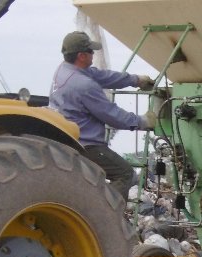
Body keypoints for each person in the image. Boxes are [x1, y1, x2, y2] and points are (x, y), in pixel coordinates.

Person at [49, 31, 156, 201]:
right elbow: (111, 115)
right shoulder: (83, 85)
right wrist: (143, 121)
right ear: (82, 56)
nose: (94, 53)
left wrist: (135, 80)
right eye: (91, 51)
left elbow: (101, 76)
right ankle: (100, 211)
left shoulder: (64, 70)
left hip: (66, 139)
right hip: (86, 145)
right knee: (126, 174)